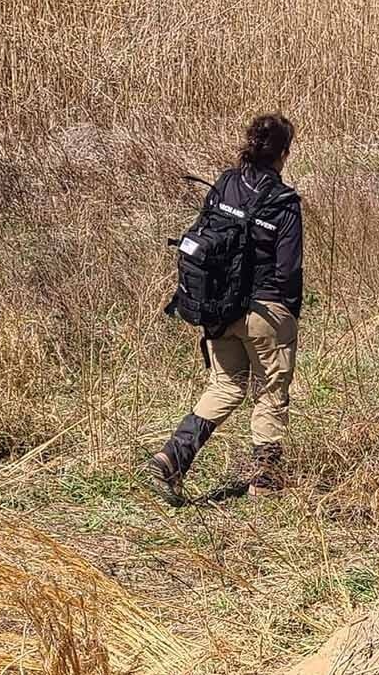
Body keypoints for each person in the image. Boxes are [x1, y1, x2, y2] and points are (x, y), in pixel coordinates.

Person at [146, 114, 305, 506]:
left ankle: (172, 459)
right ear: (283, 154)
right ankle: (265, 480)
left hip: (218, 307)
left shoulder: (224, 184)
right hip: (265, 312)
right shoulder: (285, 202)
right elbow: (288, 271)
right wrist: (288, 315)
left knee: (225, 386)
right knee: (270, 389)